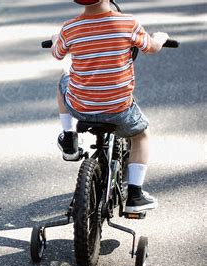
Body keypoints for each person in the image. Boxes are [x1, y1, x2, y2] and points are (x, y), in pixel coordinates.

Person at [51, 0, 169, 213]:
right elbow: (151, 47)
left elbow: (57, 53)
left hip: (81, 107)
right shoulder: (128, 23)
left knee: (63, 80)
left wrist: (55, 40)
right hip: (119, 110)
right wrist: (160, 38)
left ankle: (69, 137)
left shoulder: (69, 28)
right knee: (141, 135)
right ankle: (135, 195)